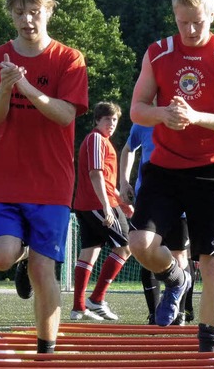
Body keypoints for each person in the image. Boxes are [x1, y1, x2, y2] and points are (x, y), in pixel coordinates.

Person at [128, 0, 214, 352]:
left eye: (198, 22)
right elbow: (137, 108)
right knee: (140, 243)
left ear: (212, 15)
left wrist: (198, 116)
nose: (191, 30)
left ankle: (209, 346)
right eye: (184, 22)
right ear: (175, 17)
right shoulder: (158, 53)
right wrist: (163, 114)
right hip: (164, 167)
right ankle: (175, 276)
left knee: (213, 264)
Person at [0, 0, 88, 354]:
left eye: (35, 12)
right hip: (3, 178)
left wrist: (26, 86)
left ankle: (46, 351)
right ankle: (20, 255)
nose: (28, 20)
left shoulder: (69, 59)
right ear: (10, 13)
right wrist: (7, 86)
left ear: (49, 11)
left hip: (51, 180)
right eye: (20, 12)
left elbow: (64, 115)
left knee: (45, 269)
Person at [119, 123, 194, 325]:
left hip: (181, 198)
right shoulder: (143, 121)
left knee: (179, 255)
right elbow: (128, 149)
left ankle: (179, 314)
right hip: (149, 197)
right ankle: (153, 312)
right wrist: (124, 182)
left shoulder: (184, 115)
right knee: (144, 250)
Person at [71, 102, 131, 321]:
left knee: (89, 252)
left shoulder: (102, 141)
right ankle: (96, 300)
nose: (112, 123)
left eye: (115, 120)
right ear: (97, 120)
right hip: (97, 204)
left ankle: (78, 307)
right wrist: (108, 206)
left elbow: (105, 178)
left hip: (89, 203)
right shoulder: (96, 139)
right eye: (107, 119)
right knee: (125, 247)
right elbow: (96, 174)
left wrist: (121, 202)